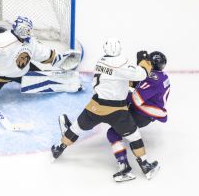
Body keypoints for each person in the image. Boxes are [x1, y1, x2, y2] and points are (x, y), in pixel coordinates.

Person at [51, 38, 160, 180]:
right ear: (119, 49)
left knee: (77, 127)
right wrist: (144, 62)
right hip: (117, 110)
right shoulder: (121, 62)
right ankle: (145, 166)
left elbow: (116, 78)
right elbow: (140, 74)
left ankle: (59, 147)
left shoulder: (100, 61)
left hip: (95, 107)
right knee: (134, 137)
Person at [0, 16, 82, 118]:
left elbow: (44, 55)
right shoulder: (2, 40)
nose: (25, 32)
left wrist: (59, 59)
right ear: (15, 28)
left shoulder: (31, 42)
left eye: (27, 30)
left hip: (24, 72)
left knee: (45, 80)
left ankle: (66, 83)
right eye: (23, 29)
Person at [107, 51, 169, 182]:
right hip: (145, 113)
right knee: (115, 124)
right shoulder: (162, 76)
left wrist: (120, 91)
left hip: (141, 114)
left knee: (112, 133)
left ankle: (126, 167)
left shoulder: (153, 79)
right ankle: (144, 165)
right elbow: (140, 85)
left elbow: (136, 99)